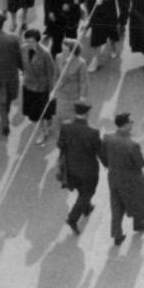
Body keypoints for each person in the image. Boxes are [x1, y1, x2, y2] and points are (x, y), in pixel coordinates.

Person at [102, 110, 144, 243]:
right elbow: (140, 164)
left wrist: (108, 164)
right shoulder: (132, 145)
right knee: (139, 199)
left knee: (116, 205)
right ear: (125, 125)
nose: (132, 123)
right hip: (131, 179)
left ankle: (117, 234)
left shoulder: (107, 138)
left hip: (113, 177)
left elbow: (103, 155)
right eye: (130, 122)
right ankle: (139, 223)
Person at [57, 99, 103, 234]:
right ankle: (72, 218)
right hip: (88, 170)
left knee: (80, 189)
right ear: (87, 113)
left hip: (70, 167)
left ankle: (87, 207)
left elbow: (60, 144)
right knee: (87, 192)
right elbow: (99, 150)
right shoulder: (93, 132)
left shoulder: (66, 127)